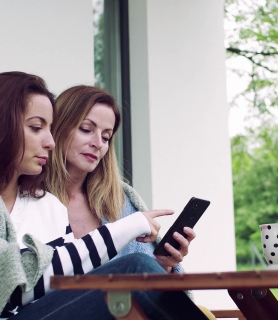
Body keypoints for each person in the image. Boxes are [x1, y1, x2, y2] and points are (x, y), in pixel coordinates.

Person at [0, 71, 223, 320]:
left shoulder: (46, 204)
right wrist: (130, 231)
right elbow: (6, 291)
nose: (48, 140)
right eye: (37, 127)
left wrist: (155, 263)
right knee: (133, 269)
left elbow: (62, 294)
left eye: (106, 137)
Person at [45, 85, 195, 273]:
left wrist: (164, 264)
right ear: (57, 129)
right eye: (86, 129)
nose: (98, 143)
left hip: (123, 302)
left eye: (106, 137)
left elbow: (144, 282)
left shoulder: (120, 201)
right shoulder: (28, 198)